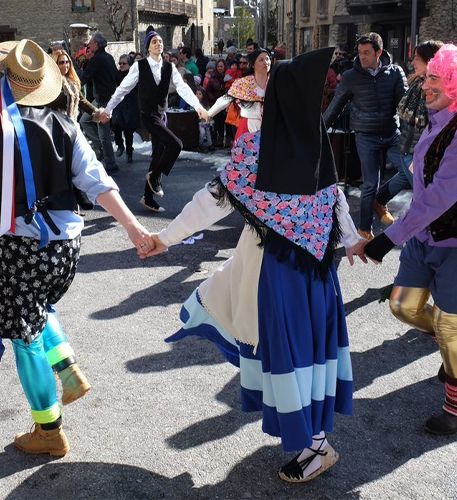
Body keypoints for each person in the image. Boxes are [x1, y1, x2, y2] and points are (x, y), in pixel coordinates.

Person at [144, 47, 363, 482]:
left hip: (279, 273)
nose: (252, 107)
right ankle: (315, 441)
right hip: (314, 274)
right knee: (307, 353)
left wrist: (163, 238)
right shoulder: (312, 137)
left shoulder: (259, 148)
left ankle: (316, 447)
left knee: (288, 353)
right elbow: (334, 198)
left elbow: (212, 201)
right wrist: (353, 240)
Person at [0, 39, 151, 456]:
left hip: (23, 248)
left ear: (4, 81)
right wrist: (132, 228)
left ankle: (49, 430)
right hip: (66, 248)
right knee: (41, 307)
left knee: (24, 336)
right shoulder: (68, 125)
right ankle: (68, 369)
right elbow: (98, 183)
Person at [354, 44, 457, 435]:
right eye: (426, 77)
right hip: (425, 238)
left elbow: (440, 197)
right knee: (403, 307)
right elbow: (423, 192)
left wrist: (387, 238)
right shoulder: (438, 118)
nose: (424, 85)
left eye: (434, 78)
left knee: (447, 327)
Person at [101, 31, 209, 213]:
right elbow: (122, 89)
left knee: (158, 155)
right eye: (154, 41)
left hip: (161, 115)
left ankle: (148, 198)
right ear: (148, 47)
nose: (158, 43)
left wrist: (198, 106)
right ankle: (155, 178)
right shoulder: (139, 66)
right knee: (176, 144)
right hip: (148, 116)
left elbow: (182, 88)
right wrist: (107, 109)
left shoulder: (169, 67)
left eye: (160, 41)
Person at [323, 33, 407, 240]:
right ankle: (364, 229)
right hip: (365, 136)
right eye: (360, 53)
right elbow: (335, 107)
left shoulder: (395, 73)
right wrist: (318, 130)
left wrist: (413, 133)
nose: (362, 57)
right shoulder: (351, 76)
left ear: (379, 52)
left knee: (409, 171)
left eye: (367, 52)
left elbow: (405, 107)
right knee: (370, 183)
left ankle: (380, 201)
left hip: (392, 133)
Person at [375, 41, 443, 211]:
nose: (412, 63)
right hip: (414, 151)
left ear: (430, 60)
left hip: (418, 151)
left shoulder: (435, 86)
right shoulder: (420, 85)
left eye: (417, 58)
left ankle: (378, 200)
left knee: (408, 180)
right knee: (424, 201)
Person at [207, 49, 271, 143]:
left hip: (270, 127)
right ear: (253, 64)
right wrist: (208, 114)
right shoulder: (243, 83)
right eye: (261, 60)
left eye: (267, 59)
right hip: (248, 127)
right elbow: (225, 99)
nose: (266, 62)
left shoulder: (275, 82)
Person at [79, 33, 119, 173]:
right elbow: (116, 76)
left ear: (97, 44)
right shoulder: (108, 57)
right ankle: (102, 148)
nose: (89, 45)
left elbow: (85, 76)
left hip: (103, 100)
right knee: (84, 121)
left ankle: (111, 164)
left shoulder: (96, 59)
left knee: (104, 134)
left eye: (91, 43)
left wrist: (73, 86)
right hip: (103, 98)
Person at [49, 48, 98, 122]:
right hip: (55, 122)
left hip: (70, 122)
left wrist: (97, 112)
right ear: (55, 65)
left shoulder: (72, 82)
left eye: (67, 62)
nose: (65, 65)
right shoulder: (51, 82)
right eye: (61, 63)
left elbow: (81, 100)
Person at [111, 53, 141, 163]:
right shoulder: (116, 75)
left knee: (128, 131)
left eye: (124, 63)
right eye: (120, 63)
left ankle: (129, 152)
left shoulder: (134, 75)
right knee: (116, 126)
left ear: (130, 64)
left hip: (131, 105)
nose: (121, 65)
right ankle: (120, 145)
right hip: (119, 105)